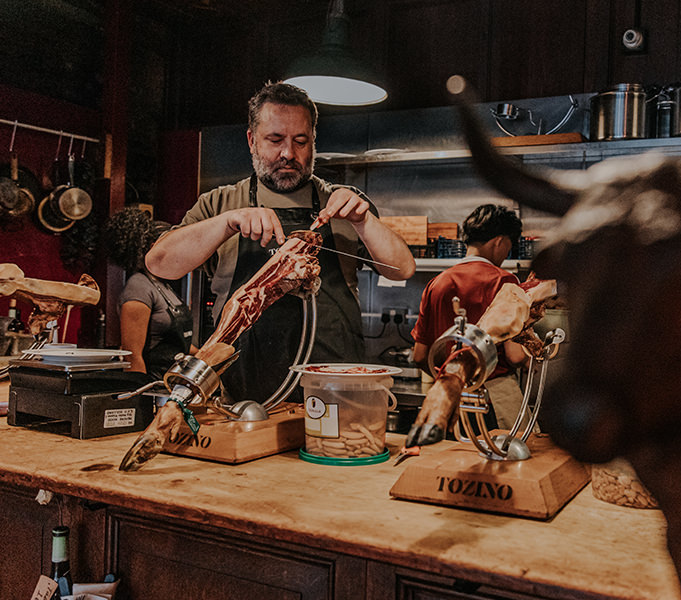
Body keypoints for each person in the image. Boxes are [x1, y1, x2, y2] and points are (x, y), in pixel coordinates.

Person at [146, 81, 415, 402]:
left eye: (300, 141)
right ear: (251, 140)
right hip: (241, 396)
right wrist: (227, 223)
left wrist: (364, 220)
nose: (288, 153)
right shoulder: (219, 203)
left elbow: (402, 270)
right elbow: (159, 264)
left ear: (313, 141)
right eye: (275, 140)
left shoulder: (344, 204)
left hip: (333, 393)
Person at [410, 204, 529, 429]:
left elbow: (419, 356)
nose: (506, 254)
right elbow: (514, 355)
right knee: (511, 459)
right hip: (496, 396)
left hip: (450, 400)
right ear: (500, 242)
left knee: (454, 460)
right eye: (508, 247)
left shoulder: (437, 283)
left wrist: (449, 379)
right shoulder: (505, 282)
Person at [103, 206, 196, 380]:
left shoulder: (165, 286)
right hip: (154, 383)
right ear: (155, 247)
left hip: (173, 382)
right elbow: (132, 355)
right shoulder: (138, 287)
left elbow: (176, 343)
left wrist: (207, 357)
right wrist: (141, 397)